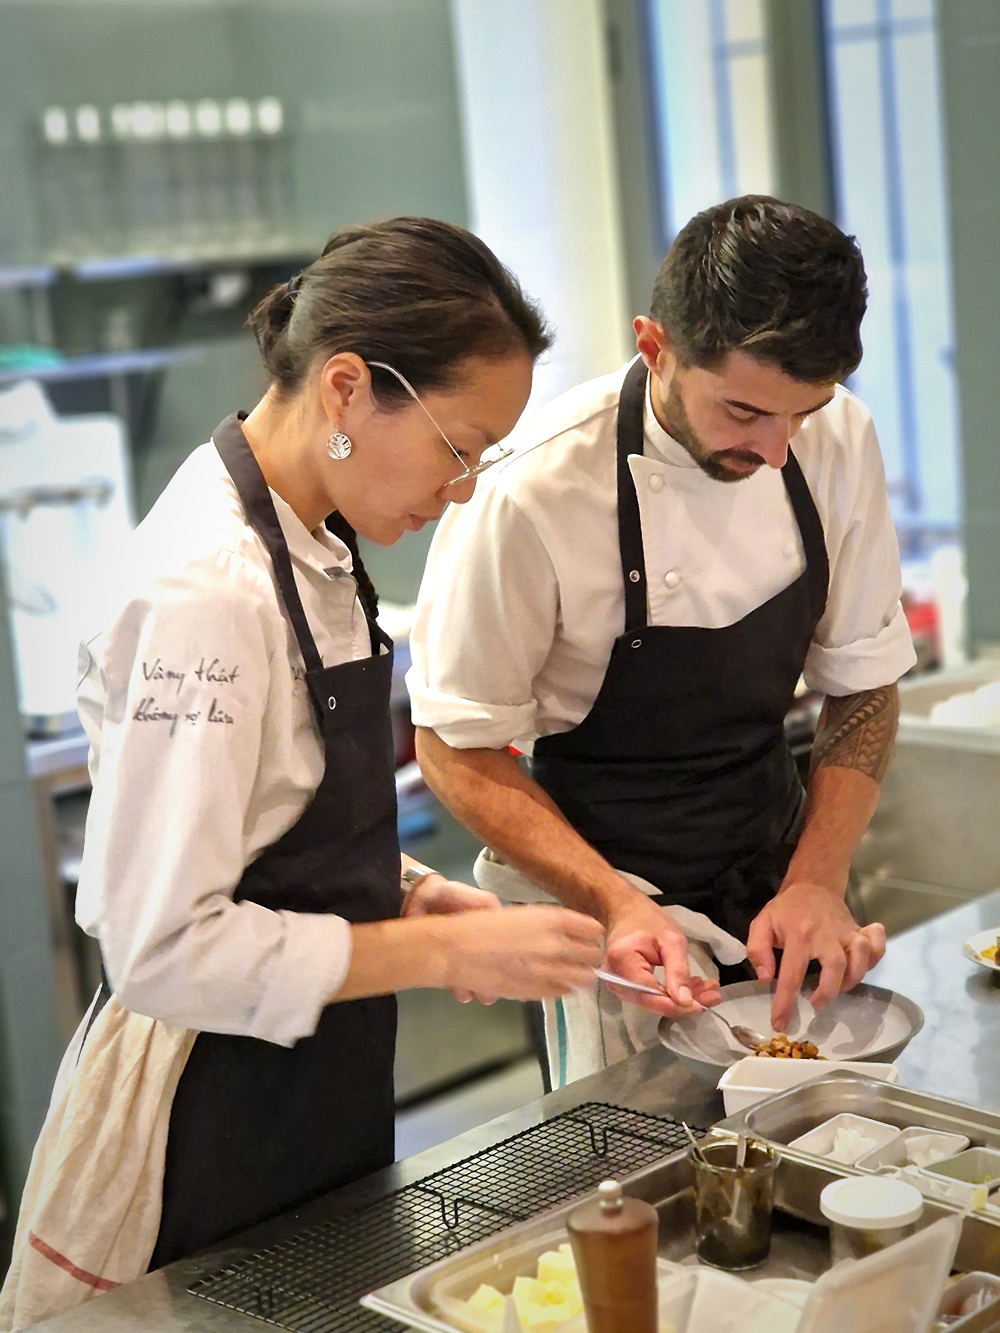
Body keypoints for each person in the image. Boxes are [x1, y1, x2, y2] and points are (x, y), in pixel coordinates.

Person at [2, 217, 605, 1319]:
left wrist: (420, 896)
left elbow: (272, 834)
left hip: (311, 1092)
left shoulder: (313, 541)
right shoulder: (208, 594)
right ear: (344, 389)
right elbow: (160, 949)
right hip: (213, 1125)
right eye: (457, 445)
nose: (463, 488)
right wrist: (434, 947)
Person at [407, 195, 915, 1087]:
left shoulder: (836, 438)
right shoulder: (534, 493)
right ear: (654, 346)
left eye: (804, 411)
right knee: (636, 1183)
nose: (776, 449)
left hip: (774, 881)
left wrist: (818, 877)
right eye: (745, 412)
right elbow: (453, 744)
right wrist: (612, 901)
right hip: (607, 923)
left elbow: (865, 683)